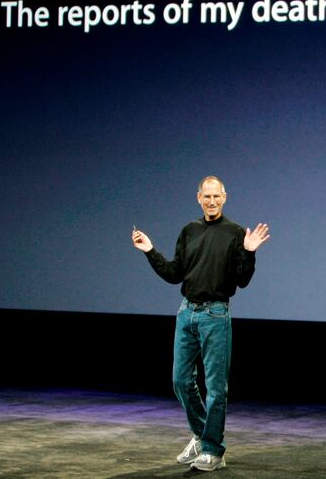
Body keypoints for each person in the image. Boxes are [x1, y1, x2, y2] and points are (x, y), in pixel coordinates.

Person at [131, 175, 270, 471]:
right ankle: (201, 435)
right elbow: (174, 273)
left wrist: (249, 251)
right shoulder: (189, 230)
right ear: (198, 198)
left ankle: (213, 450)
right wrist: (150, 251)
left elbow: (242, 281)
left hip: (215, 315)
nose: (211, 201)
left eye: (216, 196)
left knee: (216, 388)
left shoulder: (234, 233)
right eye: (206, 196)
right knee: (180, 381)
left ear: (224, 197)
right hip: (186, 313)